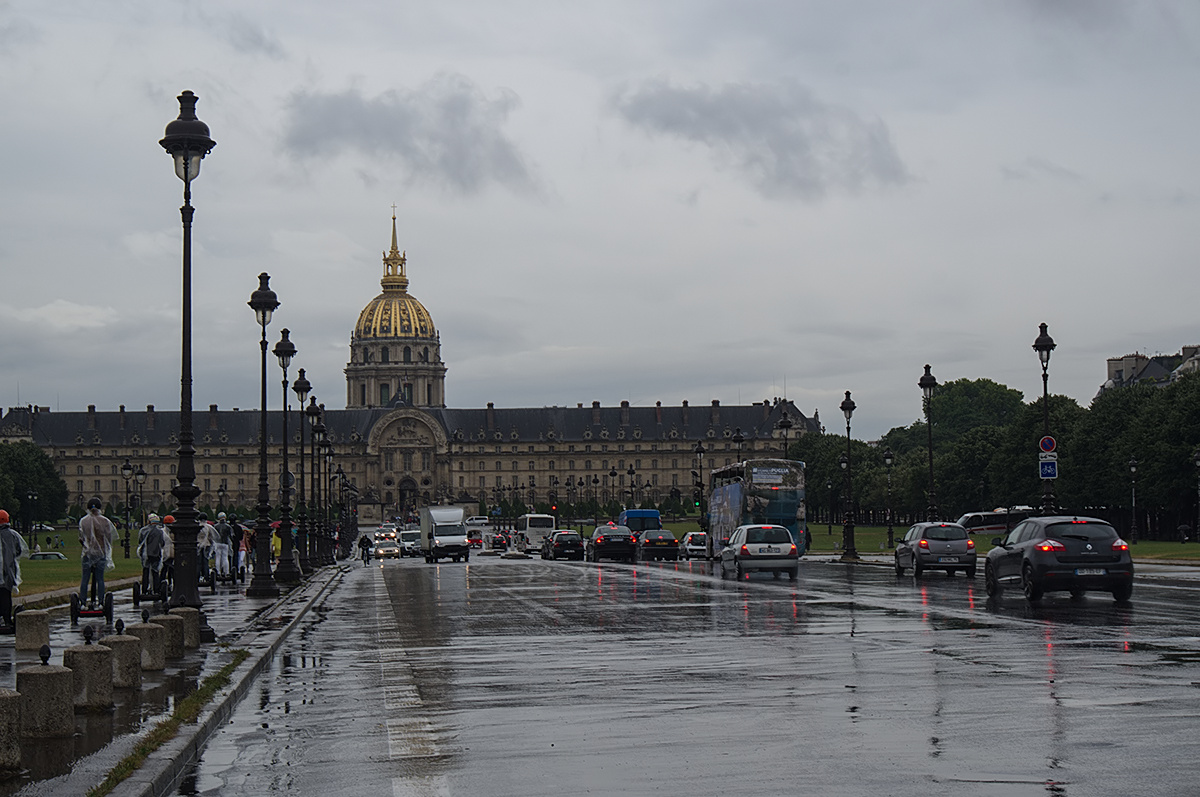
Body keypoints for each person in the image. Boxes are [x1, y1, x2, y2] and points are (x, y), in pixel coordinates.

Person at [78, 497, 115, 606]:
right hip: (100, 553)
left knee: (85, 578)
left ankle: (83, 602)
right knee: (100, 579)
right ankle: (101, 602)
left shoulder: (83, 521)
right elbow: (109, 538)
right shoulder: (105, 521)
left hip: (87, 553)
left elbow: (81, 538)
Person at [0, 510, 29, 628]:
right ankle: (7, 620)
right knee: (6, 595)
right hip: (8, 571)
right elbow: (20, 550)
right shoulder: (13, 535)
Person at [137, 513, 168, 594]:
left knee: (146, 571)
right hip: (156, 553)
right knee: (155, 572)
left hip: (145, 554)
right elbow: (162, 543)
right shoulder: (160, 532)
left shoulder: (143, 530)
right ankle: (156, 590)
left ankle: (144, 590)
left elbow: (140, 541)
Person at [214, 512, 234, 579]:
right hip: (225, 543)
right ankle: (226, 572)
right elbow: (231, 536)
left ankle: (218, 572)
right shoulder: (228, 526)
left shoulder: (216, 526)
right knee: (225, 558)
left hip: (218, 543)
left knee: (218, 558)